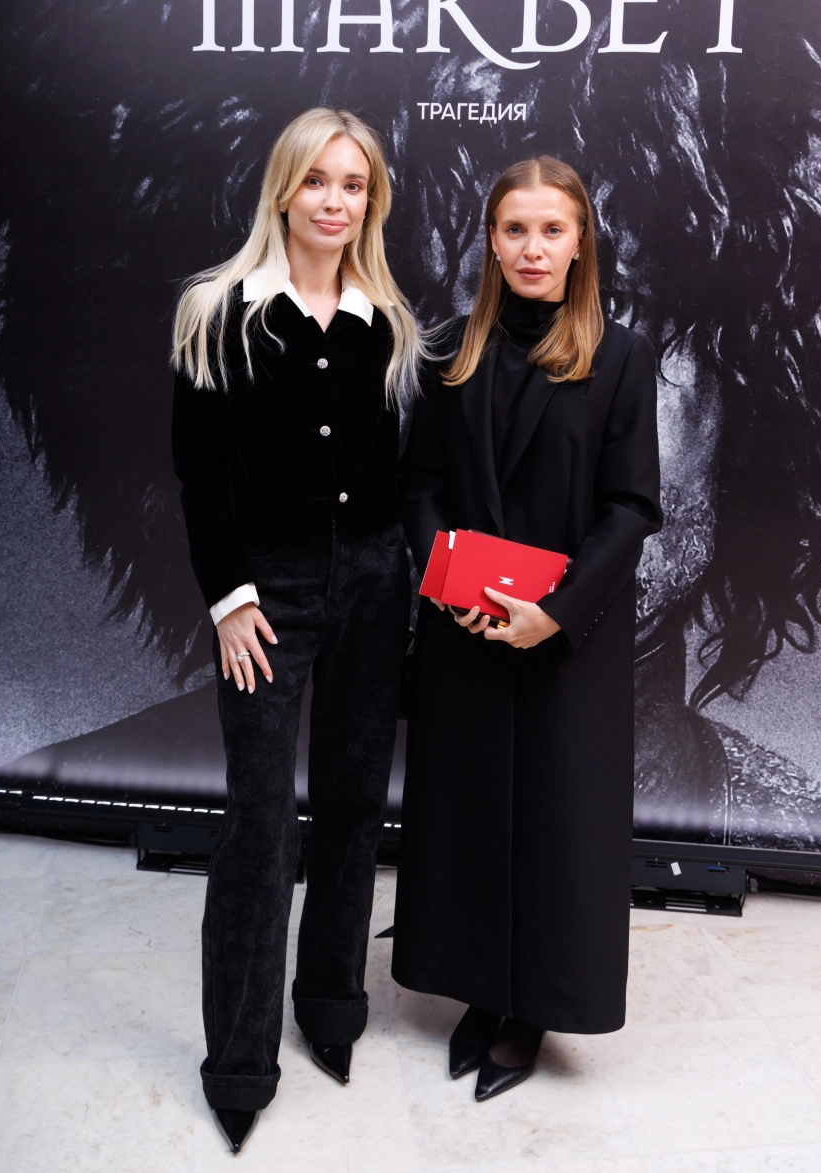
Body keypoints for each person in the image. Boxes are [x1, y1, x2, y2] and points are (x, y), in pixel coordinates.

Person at [171, 106, 422, 1153]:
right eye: (317, 180)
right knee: (262, 821)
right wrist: (230, 597)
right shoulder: (217, 311)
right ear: (283, 189)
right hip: (265, 593)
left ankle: (331, 1006)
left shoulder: (386, 321)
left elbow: (395, 470)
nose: (335, 201)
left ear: (372, 201)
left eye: (354, 185)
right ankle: (239, 1063)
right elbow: (199, 471)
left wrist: (412, 577)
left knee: (356, 804)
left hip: (374, 582)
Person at [392, 156, 663, 1101]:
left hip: (567, 640)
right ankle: (480, 986)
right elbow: (419, 485)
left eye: (552, 229)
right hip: (465, 630)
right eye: (516, 229)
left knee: (556, 823)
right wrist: (446, 588)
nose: (533, 248)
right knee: (468, 811)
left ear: (580, 241)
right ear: (491, 242)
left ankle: (532, 1007)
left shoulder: (621, 356)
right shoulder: (448, 352)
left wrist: (555, 612)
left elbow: (631, 507)